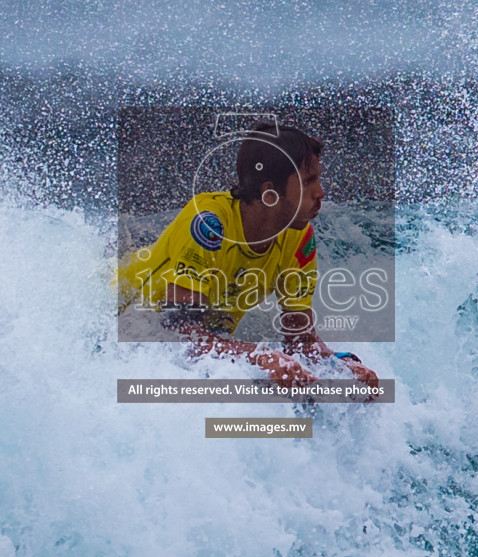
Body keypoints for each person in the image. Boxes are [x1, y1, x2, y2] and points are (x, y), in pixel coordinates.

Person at [119, 121, 380, 391]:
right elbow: (177, 334)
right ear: (269, 193)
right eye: (308, 182)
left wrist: (340, 366)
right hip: (120, 320)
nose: (321, 192)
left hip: (193, 335)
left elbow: (299, 339)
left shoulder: (299, 237)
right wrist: (258, 356)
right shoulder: (209, 224)